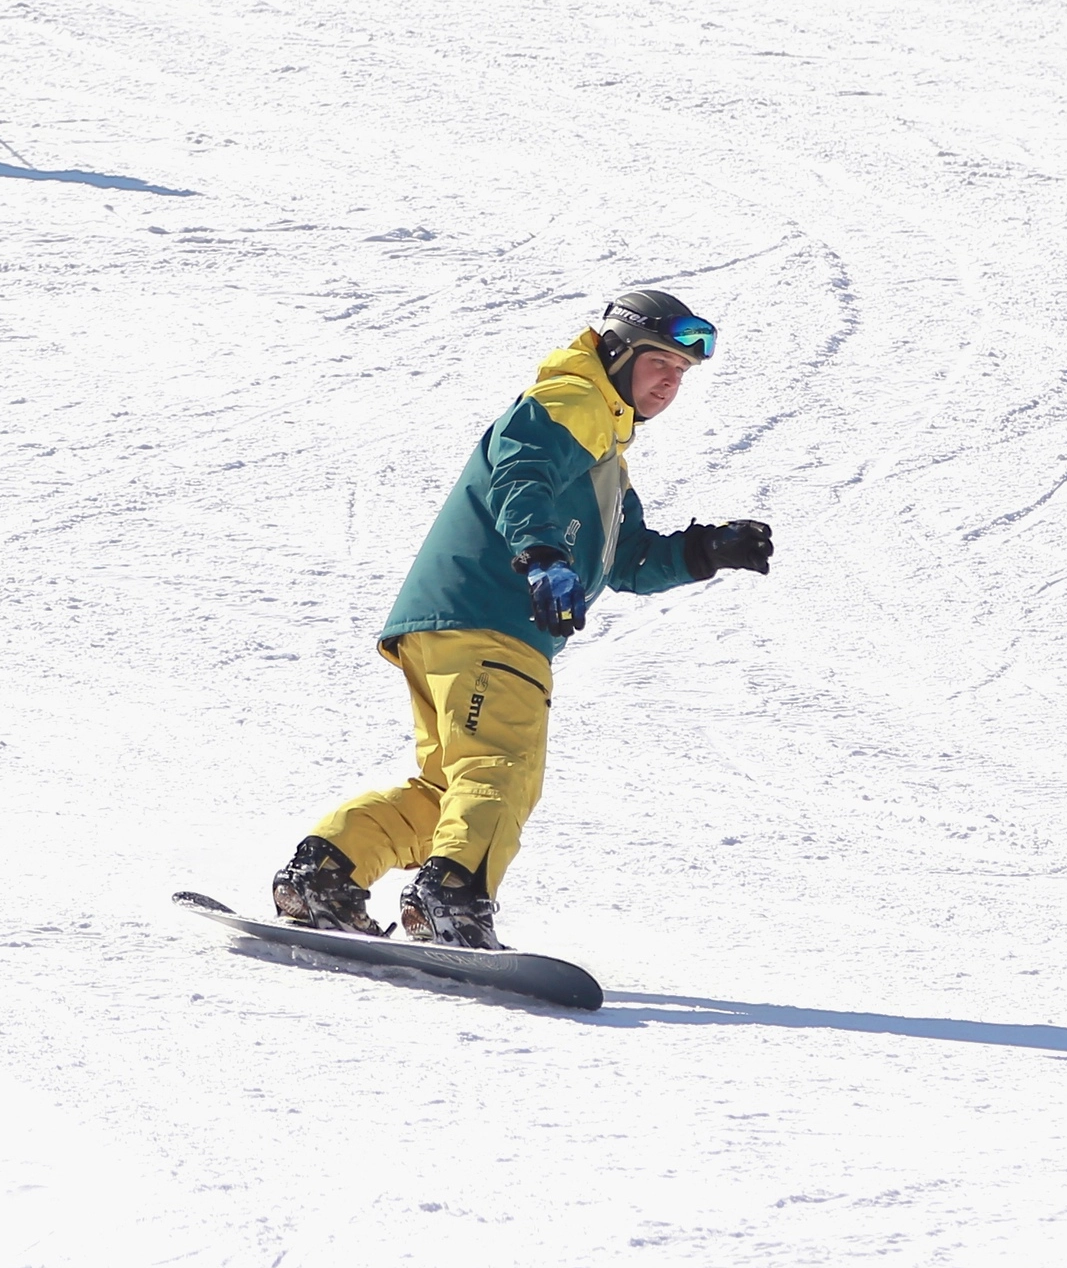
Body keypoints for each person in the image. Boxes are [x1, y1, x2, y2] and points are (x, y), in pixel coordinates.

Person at [272, 290, 774, 950]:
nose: (670, 383)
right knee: (499, 770)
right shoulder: (573, 401)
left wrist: (707, 550)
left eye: (681, 373)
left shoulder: (604, 455)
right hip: (493, 619)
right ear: (618, 354)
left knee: (453, 789)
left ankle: (326, 875)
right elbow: (521, 475)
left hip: (454, 622)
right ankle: (453, 897)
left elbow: (628, 559)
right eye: (659, 363)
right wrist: (539, 555)